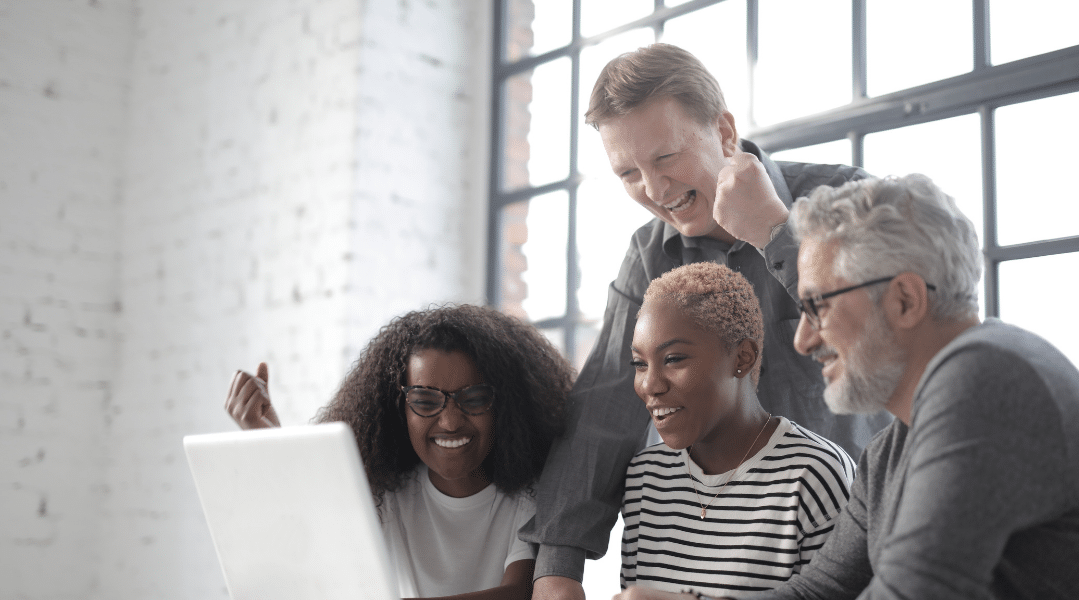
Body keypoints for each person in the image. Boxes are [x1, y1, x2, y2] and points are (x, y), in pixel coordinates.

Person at [625, 174, 1079, 599]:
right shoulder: (892, 448)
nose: (801, 339)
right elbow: (820, 592)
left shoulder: (987, 377)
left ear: (905, 300)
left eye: (816, 304)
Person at [522, 44, 892, 599]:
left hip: (852, 543)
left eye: (666, 157)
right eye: (628, 173)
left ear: (723, 131)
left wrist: (772, 229)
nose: (654, 189)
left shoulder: (845, 198)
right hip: (710, 556)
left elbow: (883, 337)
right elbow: (603, 409)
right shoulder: (648, 253)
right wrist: (557, 567)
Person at [224, 304, 573, 600]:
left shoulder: (529, 496)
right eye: (424, 400)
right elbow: (307, 546)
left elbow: (517, 593)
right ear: (398, 409)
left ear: (504, 405)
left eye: (475, 398)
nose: (450, 422)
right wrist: (264, 436)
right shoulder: (382, 496)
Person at [616, 262, 855, 596]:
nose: (650, 385)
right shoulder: (646, 477)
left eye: (673, 359)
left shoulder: (814, 475)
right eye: (640, 364)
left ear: (742, 358)